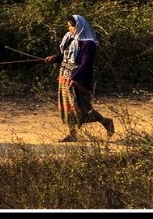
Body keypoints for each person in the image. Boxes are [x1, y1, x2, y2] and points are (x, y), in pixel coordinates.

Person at [45, 13, 114, 141]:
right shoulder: (70, 39)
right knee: (68, 106)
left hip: (78, 79)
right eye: (69, 27)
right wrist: (55, 58)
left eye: (72, 27)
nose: (70, 29)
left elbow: (86, 64)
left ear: (80, 26)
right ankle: (72, 134)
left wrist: (75, 78)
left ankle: (106, 122)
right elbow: (66, 57)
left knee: (83, 107)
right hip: (65, 76)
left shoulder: (89, 44)